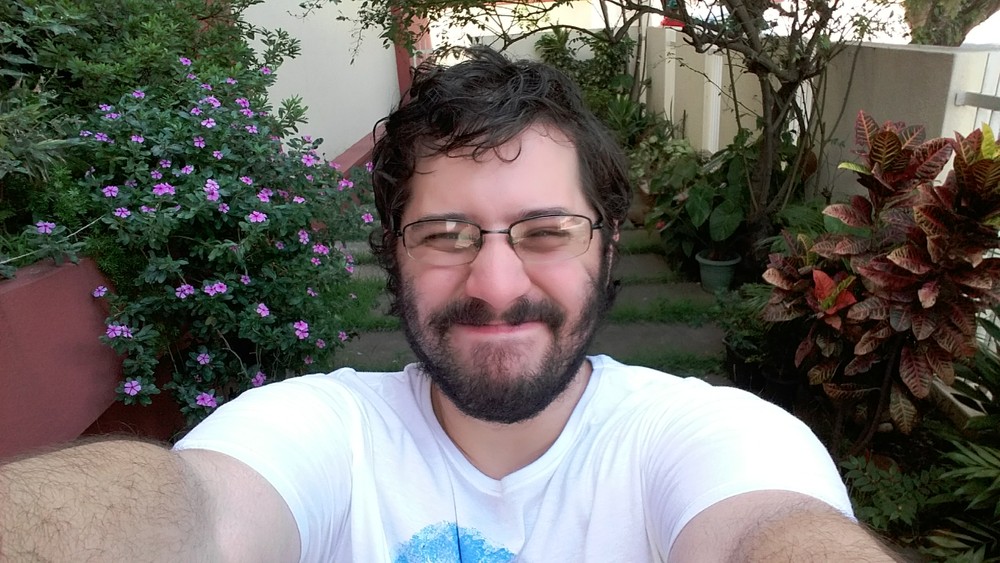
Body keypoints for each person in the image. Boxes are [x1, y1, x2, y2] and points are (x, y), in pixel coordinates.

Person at [0, 47, 902, 562]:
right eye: (444, 234)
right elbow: (198, 512)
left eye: (545, 231)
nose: (496, 285)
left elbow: (765, 529)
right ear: (393, 252)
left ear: (607, 244)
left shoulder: (712, 439)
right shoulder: (320, 432)